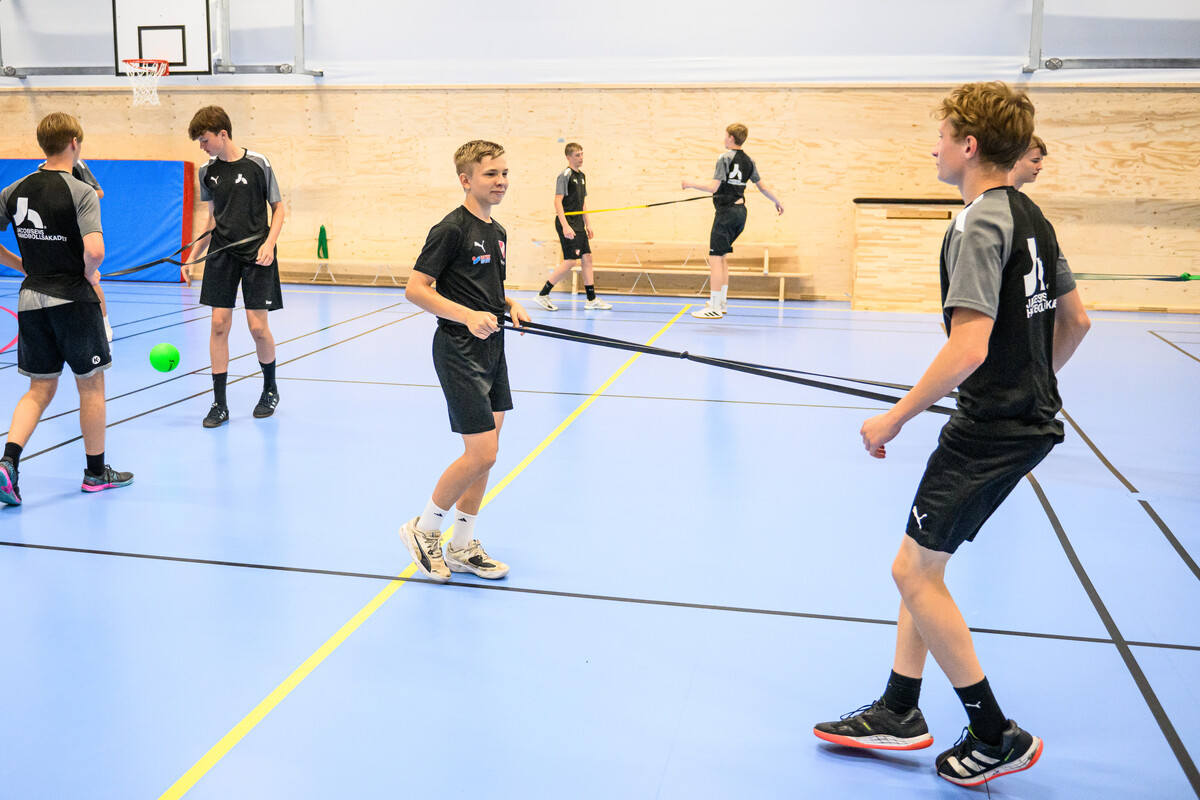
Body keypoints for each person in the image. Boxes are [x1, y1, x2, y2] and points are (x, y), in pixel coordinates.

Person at [812, 82, 1091, 787]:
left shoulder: (975, 223)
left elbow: (968, 346)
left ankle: (994, 734)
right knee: (924, 563)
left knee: (911, 571)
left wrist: (894, 417)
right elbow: (1076, 322)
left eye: (939, 136)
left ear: (968, 146)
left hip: (989, 429)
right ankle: (900, 707)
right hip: (1024, 419)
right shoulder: (1031, 215)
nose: (932, 147)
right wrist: (1028, 386)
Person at [399, 140, 530, 582]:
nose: (501, 181)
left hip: (493, 348)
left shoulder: (499, 231)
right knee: (482, 452)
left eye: (504, 173)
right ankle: (424, 529)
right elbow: (416, 289)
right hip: (459, 349)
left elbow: (483, 288)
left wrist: (509, 303)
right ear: (466, 179)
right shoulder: (450, 229)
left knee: (486, 456)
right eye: (491, 174)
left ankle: (461, 545)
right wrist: (468, 316)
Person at [0, 112, 133, 506]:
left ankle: (8, 463)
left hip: (31, 300)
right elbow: (96, 251)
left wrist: (22, 265)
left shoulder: (13, 190)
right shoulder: (81, 190)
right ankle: (96, 474)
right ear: (74, 143)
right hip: (73, 300)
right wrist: (89, 274)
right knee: (91, 386)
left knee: (39, 389)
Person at [185, 105, 285, 428]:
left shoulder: (258, 163)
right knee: (218, 325)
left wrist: (269, 244)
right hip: (222, 253)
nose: (202, 146)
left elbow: (279, 209)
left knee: (257, 328)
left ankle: (270, 389)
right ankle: (219, 404)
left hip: (258, 253)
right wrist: (192, 257)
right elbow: (212, 219)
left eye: (204, 139)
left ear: (223, 134)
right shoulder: (207, 172)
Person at [681, 123, 783, 319]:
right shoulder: (749, 161)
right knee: (722, 257)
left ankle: (714, 307)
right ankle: (721, 302)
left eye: (725, 135)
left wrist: (690, 183)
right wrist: (777, 201)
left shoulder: (724, 158)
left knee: (715, 258)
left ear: (730, 138)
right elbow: (762, 187)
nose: (724, 138)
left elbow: (713, 187)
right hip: (740, 213)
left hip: (726, 213)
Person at [533, 142, 612, 311]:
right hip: (567, 223)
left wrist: (588, 224)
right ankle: (542, 295)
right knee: (570, 261)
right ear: (568, 158)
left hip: (578, 224)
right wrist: (565, 226)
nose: (581, 158)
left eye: (582, 154)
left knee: (587, 257)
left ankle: (591, 299)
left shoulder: (582, 176)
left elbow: (582, 203)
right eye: (577, 155)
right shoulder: (565, 175)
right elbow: (557, 201)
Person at [40, 157, 113, 341]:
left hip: (77, 231)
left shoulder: (77, 164)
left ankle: (104, 324)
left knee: (90, 279)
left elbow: (99, 192)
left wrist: (74, 194)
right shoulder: (41, 168)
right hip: (54, 232)